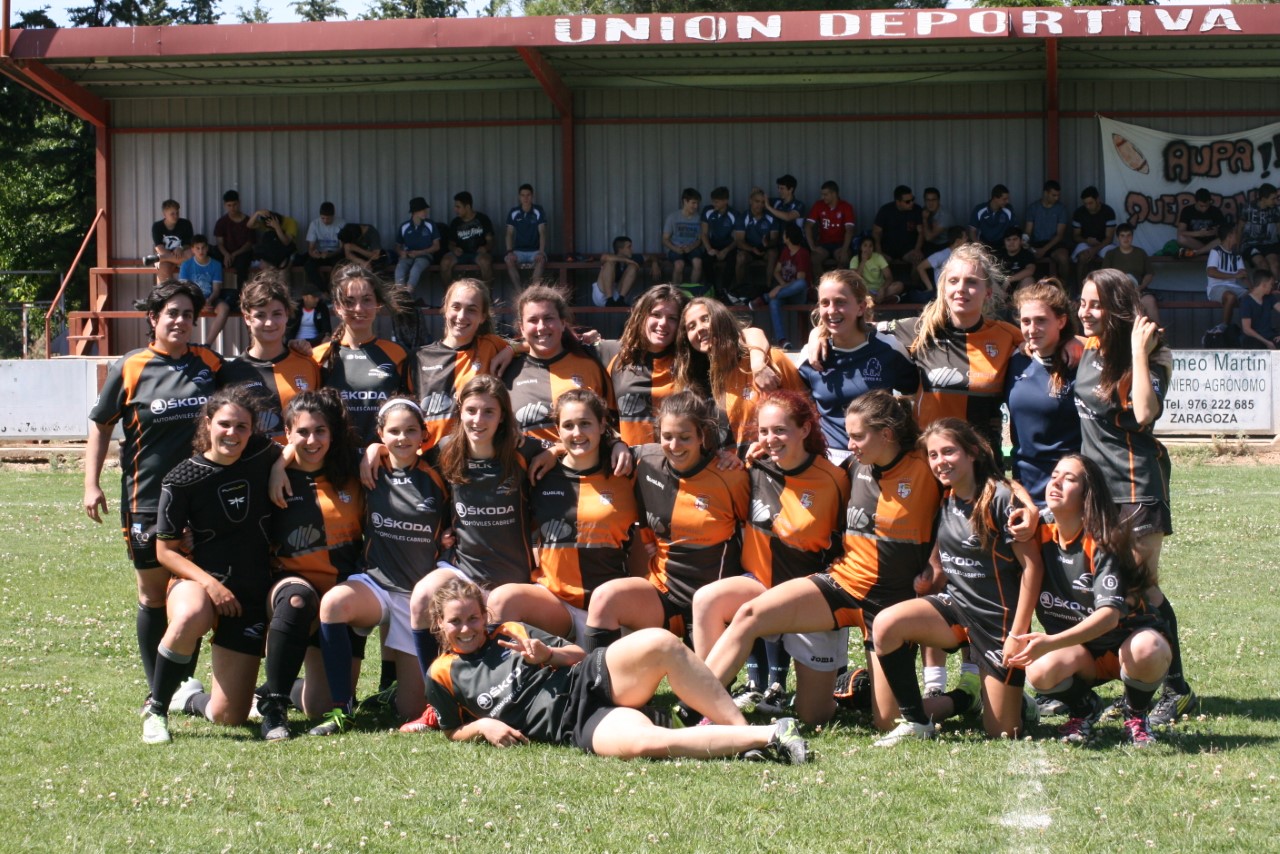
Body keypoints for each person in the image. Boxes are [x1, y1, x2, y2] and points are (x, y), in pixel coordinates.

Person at [701, 391, 942, 732]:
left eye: (858, 436)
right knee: (750, 614)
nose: (850, 443)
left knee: (887, 721)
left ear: (887, 434)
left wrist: (936, 561)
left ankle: (951, 699)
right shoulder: (852, 468)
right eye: (849, 435)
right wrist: (748, 455)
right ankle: (699, 706)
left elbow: (974, 487)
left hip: (890, 604)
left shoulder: (925, 465)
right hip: (842, 585)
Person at [425, 578, 809, 763]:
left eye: (473, 618)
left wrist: (547, 655)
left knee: (660, 642)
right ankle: (770, 733)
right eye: (455, 622)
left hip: (586, 676)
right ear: (438, 624)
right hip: (573, 723)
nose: (467, 629)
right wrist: (483, 726)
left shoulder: (509, 630)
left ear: (483, 615)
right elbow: (451, 729)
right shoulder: (441, 674)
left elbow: (577, 653)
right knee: (646, 744)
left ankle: (742, 736)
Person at [84, 280, 223, 709]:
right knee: (151, 593)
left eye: (187, 315)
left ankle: (181, 683)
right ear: (153, 319)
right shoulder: (130, 367)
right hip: (146, 499)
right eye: (172, 314)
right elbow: (102, 423)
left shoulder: (211, 364)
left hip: (204, 501)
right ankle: (157, 687)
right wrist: (90, 483)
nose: (180, 321)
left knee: (192, 592)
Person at [870, 418, 1043, 747]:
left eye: (948, 452)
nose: (939, 462)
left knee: (1002, 732)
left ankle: (1008, 702)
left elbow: (1032, 568)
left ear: (973, 453)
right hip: (954, 608)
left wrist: (1018, 635)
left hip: (996, 623)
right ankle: (918, 721)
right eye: (933, 455)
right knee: (886, 624)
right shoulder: (946, 495)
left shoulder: (1000, 499)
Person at [1076, 268, 1193, 728]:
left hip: (1136, 490)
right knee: (1111, 587)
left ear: (1119, 307)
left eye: (1095, 304)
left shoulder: (1149, 356)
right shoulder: (1086, 350)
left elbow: (1145, 414)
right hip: (1096, 493)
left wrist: (1139, 355)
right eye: (1082, 302)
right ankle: (1129, 686)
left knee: (1142, 587)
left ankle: (1175, 688)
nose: (1085, 312)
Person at [690, 391, 850, 725]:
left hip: (809, 598)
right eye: (763, 431)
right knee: (707, 599)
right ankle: (707, 705)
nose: (770, 439)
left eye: (780, 430)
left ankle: (853, 685)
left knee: (813, 716)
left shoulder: (835, 479)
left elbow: (848, 543)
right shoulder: (752, 463)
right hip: (760, 587)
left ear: (805, 430)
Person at [141, 386, 282, 744]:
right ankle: (156, 710)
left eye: (242, 427)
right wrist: (212, 585)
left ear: (252, 430)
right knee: (191, 615)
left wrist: (280, 466)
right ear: (208, 423)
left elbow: (293, 447)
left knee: (228, 715)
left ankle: (187, 698)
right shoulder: (181, 479)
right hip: (200, 581)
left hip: (248, 591)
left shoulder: (262, 455)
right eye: (225, 424)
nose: (232, 434)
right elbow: (166, 552)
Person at [1009, 455, 1171, 748]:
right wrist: (1029, 506)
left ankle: (1136, 714)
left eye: (1069, 479)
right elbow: (998, 482)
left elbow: (1109, 616)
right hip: (1082, 653)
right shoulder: (1039, 529)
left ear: (1087, 494)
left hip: (1127, 644)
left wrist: (1050, 642)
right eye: (1054, 475)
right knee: (1039, 669)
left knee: (1150, 648)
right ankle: (1085, 709)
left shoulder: (1102, 538)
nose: (1056, 482)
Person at [309, 398, 449, 734]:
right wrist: (370, 451)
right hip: (374, 584)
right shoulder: (368, 467)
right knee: (333, 604)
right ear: (381, 434)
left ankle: (392, 694)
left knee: (410, 711)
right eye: (394, 431)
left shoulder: (438, 474)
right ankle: (343, 709)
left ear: (423, 435)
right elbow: (304, 451)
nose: (402, 438)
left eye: (410, 430)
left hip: (414, 598)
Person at [581, 391, 749, 652]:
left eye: (685, 437)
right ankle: (595, 687)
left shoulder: (730, 475)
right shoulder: (646, 460)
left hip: (710, 604)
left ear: (702, 435)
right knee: (606, 597)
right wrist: (615, 444)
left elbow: (750, 531)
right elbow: (585, 445)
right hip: (662, 593)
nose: (674, 445)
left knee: (703, 687)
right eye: (667, 436)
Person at [487, 389, 638, 642]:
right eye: (568, 425)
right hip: (556, 603)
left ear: (602, 425)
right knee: (502, 600)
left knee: (598, 675)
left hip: (610, 605)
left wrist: (618, 443)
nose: (577, 433)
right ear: (558, 430)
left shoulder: (626, 469)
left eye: (585, 423)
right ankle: (502, 678)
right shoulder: (540, 471)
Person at [256, 389, 365, 739]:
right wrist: (277, 465)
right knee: (298, 599)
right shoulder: (269, 473)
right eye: (302, 432)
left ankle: (271, 687)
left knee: (321, 706)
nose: (312, 439)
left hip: (342, 596)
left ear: (332, 433)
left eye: (320, 431)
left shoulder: (352, 471)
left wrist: (376, 448)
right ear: (287, 435)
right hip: (291, 586)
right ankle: (274, 708)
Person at [886, 242, 1022, 464]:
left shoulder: (1008, 336)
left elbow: (1057, 340)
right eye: (953, 281)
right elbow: (860, 328)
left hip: (980, 462)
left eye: (971, 282)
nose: (960, 288)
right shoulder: (919, 330)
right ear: (943, 289)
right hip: (927, 459)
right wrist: (816, 338)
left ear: (988, 292)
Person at [796, 270, 917, 462]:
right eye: (824, 303)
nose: (831, 310)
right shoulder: (811, 355)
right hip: (829, 460)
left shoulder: (889, 348)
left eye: (840, 302)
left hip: (877, 460)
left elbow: (915, 391)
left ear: (861, 307)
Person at [675, 296, 802, 455]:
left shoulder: (769, 361)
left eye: (705, 319)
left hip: (773, 470)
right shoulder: (693, 383)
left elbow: (805, 418)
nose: (699, 328)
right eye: (691, 326)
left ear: (721, 317)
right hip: (726, 474)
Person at [312, 265, 413, 448]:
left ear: (378, 304)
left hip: (384, 463)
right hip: (335, 465)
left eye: (367, 300)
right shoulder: (318, 356)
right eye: (349, 302)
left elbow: (411, 416)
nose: (359, 308)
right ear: (337, 308)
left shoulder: (398, 354)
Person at [406, 278, 513, 450]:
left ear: (483, 316)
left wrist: (512, 349)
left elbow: (536, 343)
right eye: (456, 307)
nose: (462, 316)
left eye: (471, 310)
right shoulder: (418, 357)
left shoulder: (491, 346)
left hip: (473, 456)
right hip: (428, 458)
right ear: (445, 309)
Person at [501, 284, 612, 447]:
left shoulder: (591, 364)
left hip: (583, 469)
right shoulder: (506, 370)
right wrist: (511, 348)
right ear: (522, 328)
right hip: (526, 470)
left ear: (562, 323)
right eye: (533, 320)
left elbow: (610, 425)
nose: (541, 327)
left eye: (548, 318)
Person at [217, 271, 322, 442]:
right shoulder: (229, 372)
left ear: (287, 314)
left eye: (277, 314)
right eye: (260, 315)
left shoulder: (308, 364)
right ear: (247, 318)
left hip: (298, 467)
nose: (269, 323)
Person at [1004, 279, 1080, 506]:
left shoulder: (1080, 362)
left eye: (1041, 321)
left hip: (1070, 490)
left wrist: (1078, 340)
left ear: (1061, 321)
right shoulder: (1014, 361)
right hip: (1023, 490)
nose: (1032, 329)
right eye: (1026, 321)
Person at [763, 223, 811, 348]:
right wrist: (783, 285)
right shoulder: (785, 251)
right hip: (785, 293)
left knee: (801, 283)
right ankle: (782, 340)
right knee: (774, 302)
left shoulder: (802, 253)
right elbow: (776, 271)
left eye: (784, 234)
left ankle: (765, 297)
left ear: (788, 237)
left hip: (798, 295)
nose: (782, 236)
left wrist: (780, 288)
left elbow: (800, 279)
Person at [1101, 222, 1159, 324]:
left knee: (1150, 301)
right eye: (1122, 236)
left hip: (1138, 291)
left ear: (1132, 237)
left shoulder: (1140, 253)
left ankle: (1157, 335)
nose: (1126, 238)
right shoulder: (1111, 254)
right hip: (1117, 292)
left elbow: (1149, 273)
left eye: (1128, 235)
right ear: (1118, 238)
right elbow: (1104, 276)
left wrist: (1141, 287)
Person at [732, 188, 780, 304]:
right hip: (749, 250)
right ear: (750, 201)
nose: (760, 205)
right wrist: (752, 249)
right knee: (740, 257)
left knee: (773, 253)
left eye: (763, 202)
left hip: (765, 250)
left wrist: (767, 244)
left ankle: (768, 288)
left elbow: (775, 238)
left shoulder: (770, 217)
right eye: (757, 201)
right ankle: (740, 289)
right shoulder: (743, 217)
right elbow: (739, 241)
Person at [177, 234, 227, 342]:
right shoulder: (186, 265)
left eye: (203, 247)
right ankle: (182, 344)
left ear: (207, 248)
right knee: (178, 309)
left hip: (210, 299)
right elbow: (184, 289)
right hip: (192, 299)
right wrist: (199, 302)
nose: (201, 251)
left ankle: (207, 345)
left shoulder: (216, 265)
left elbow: (217, 289)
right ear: (192, 249)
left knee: (224, 308)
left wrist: (208, 300)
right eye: (197, 248)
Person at [441, 191, 495, 284]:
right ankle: (448, 294)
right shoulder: (455, 222)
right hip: (460, 255)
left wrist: (485, 248)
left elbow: (491, 240)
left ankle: (488, 295)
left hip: (478, 254)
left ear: (468, 207)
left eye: (458, 207)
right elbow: (450, 244)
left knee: (485, 262)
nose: (455, 209)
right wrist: (454, 249)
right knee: (445, 262)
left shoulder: (482, 219)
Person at [1023, 180, 1071, 280]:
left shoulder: (1061, 209)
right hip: (1036, 243)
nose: (1056, 198)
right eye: (1054, 195)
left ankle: (1065, 287)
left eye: (1058, 195)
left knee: (1063, 257)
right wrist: (1025, 242)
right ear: (1046, 193)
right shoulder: (1033, 208)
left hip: (1055, 244)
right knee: (1024, 256)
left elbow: (1060, 235)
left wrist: (1044, 250)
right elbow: (1028, 231)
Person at [394, 196, 441, 300]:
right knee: (400, 268)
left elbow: (436, 246)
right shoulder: (404, 226)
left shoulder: (430, 224)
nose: (425, 212)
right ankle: (400, 297)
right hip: (408, 255)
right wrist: (401, 252)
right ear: (414, 212)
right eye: (421, 210)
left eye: (425, 209)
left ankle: (408, 295)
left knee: (416, 269)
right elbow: (397, 246)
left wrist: (420, 252)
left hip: (424, 255)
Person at [505, 184, 548, 291]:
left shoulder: (538, 210)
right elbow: (509, 233)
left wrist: (541, 252)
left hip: (535, 250)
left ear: (532, 196)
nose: (525, 198)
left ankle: (532, 292)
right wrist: (510, 252)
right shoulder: (514, 212)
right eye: (523, 195)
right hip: (518, 250)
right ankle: (520, 292)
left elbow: (542, 231)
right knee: (508, 260)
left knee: (541, 260)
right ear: (519, 197)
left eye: (528, 195)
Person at [805, 180, 856, 271]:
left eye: (825, 194)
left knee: (844, 259)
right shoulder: (818, 205)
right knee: (814, 259)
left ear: (834, 194)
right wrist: (812, 247)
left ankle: (841, 285)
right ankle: (819, 284)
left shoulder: (846, 206)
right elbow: (808, 226)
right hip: (823, 243)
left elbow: (849, 231)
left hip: (840, 244)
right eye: (822, 194)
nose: (822, 197)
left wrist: (844, 250)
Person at [1070, 186, 1118, 283]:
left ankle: (1107, 288)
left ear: (1098, 199)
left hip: (1104, 243)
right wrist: (1086, 240)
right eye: (1085, 204)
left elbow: (1109, 238)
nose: (1088, 206)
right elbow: (1075, 236)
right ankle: (1081, 291)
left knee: (1110, 256)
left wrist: (1095, 249)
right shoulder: (1079, 213)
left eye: (1090, 203)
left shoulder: (1108, 212)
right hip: (1086, 242)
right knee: (1083, 256)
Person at [1206, 226, 1251, 328]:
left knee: (1253, 297)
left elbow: (1243, 275)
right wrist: (1234, 275)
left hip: (1234, 288)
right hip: (1216, 287)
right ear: (1230, 236)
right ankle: (1224, 327)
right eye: (1236, 233)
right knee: (1230, 296)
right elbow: (1211, 272)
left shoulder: (1237, 255)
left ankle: (1252, 329)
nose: (1238, 236)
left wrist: (1253, 290)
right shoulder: (1216, 251)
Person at [872, 185, 924, 272]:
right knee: (877, 263)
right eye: (907, 201)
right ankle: (883, 285)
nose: (911, 203)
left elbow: (921, 232)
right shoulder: (885, 210)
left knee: (918, 260)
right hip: (887, 249)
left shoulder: (917, 210)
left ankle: (915, 285)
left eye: (912, 199)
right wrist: (878, 251)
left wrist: (917, 249)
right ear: (898, 202)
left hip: (908, 249)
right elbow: (876, 232)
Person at [213, 189, 256, 289]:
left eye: (235, 204)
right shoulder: (222, 222)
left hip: (242, 253)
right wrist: (226, 254)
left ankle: (241, 297)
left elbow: (249, 244)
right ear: (225, 205)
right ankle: (214, 294)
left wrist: (233, 254)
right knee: (211, 259)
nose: (232, 208)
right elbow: (219, 242)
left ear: (239, 203)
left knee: (242, 266)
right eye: (229, 205)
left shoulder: (248, 221)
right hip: (226, 253)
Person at [701, 186, 739, 296]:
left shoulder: (734, 214)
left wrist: (726, 251)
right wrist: (709, 249)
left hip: (728, 245)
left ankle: (724, 291)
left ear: (726, 201)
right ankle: (711, 289)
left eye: (717, 202)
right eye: (713, 201)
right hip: (712, 244)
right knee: (706, 259)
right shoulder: (708, 211)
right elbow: (703, 233)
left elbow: (737, 239)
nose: (714, 204)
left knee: (733, 260)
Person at [663, 187, 705, 285]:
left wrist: (691, 247)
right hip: (676, 248)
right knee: (679, 265)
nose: (696, 206)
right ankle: (675, 293)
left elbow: (700, 239)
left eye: (697, 203)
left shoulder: (699, 218)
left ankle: (693, 291)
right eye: (693, 203)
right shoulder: (673, 217)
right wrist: (675, 248)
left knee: (698, 262)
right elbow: (665, 239)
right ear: (685, 201)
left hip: (693, 248)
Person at [850, 232, 904, 305]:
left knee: (899, 285)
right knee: (855, 289)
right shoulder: (855, 259)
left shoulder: (878, 257)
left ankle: (874, 300)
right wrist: (863, 261)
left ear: (873, 248)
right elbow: (855, 279)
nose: (868, 249)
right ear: (860, 247)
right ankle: (882, 300)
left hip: (880, 289)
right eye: (865, 246)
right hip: (866, 290)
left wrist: (883, 289)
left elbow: (889, 277)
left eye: (870, 246)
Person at [913, 225, 967, 299]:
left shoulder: (965, 256)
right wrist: (930, 288)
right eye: (965, 238)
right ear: (957, 241)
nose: (967, 241)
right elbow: (920, 267)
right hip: (943, 295)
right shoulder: (942, 255)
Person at [1239, 182, 1280, 278]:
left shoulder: (1274, 209)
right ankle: (1263, 290)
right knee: (1262, 265)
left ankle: (1277, 289)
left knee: (1275, 265)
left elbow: (1279, 228)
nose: (1275, 201)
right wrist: (1238, 248)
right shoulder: (1248, 208)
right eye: (1273, 198)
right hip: (1251, 244)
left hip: (1270, 244)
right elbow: (1239, 228)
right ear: (1263, 199)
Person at [304, 202, 346, 293]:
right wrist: (314, 253)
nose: (325, 221)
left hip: (335, 253)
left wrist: (330, 254)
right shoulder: (314, 224)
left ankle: (333, 290)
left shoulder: (341, 223)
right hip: (320, 253)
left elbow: (343, 248)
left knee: (340, 266)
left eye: (328, 218)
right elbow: (310, 247)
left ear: (333, 216)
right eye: (323, 218)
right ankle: (323, 291)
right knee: (309, 266)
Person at [592, 236, 644, 308]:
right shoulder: (611, 256)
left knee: (633, 267)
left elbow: (650, 257)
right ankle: (609, 300)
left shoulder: (633, 258)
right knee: (609, 263)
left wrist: (655, 263)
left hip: (616, 296)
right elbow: (604, 257)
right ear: (620, 249)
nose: (632, 249)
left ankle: (621, 300)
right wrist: (626, 260)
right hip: (601, 294)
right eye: (629, 247)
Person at [149, 199, 194, 281]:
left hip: (181, 255)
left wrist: (181, 248)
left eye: (177, 213)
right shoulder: (157, 226)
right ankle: (166, 293)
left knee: (192, 253)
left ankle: (158, 258)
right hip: (167, 256)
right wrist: (173, 258)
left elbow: (189, 244)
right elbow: (159, 248)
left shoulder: (186, 224)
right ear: (164, 214)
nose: (176, 216)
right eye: (172, 214)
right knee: (163, 269)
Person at [1175, 188, 1225, 258]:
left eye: (1206, 206)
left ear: (1210, 201)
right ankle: (1207, 251)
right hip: (1195, 243)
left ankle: (1198, 252)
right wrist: (1198, 233)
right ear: (1196, 201)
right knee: (1181, 239)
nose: (1204, 208)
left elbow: (1225, 231)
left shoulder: (1215, 211)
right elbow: (1181, 232)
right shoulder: (1187, 211)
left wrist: (1215, 231)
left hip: (1211, 242)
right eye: (1201, 206)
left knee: (1224, 238)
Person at [1240, 269, 1280, 350]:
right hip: (1253, 338)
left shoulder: (1270, 297)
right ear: (1264, 285)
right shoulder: (1246, 301)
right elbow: (1246, 329)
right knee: (1256, 349)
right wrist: (1267, 342)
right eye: (1271, 284)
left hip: (1270, 335)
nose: (1272, 287)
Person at [968, 184, 1014, 252]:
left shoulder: (1008, 209)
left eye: (1007, 199)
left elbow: (1014, 230)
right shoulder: (979, 209)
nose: (1007, 201)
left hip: (1003, 246)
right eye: (1004, 199)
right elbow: (972, 231)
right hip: (984, 245)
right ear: (995, 198)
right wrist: (978, 245)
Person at [998, 227, 1039, 294]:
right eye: (1008, 240)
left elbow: (1030, 270)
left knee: (1028, 280)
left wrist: (1008, 280)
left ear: (1020, 241)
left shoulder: (1027, 254)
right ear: (1004, 242)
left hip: (1020, 289)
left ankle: (1023, 303)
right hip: (1001, 288)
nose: (1011, 242)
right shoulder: (999, 255)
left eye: (1015, 239)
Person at [919, 187, 956, 256]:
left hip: (945, 244)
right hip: (930, 244)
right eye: (928, 200)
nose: (930, 203)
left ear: (938, 200)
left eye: (933, 200)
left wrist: (924, 220)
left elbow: (929, 238)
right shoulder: (924, 211)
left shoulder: (944, 216)